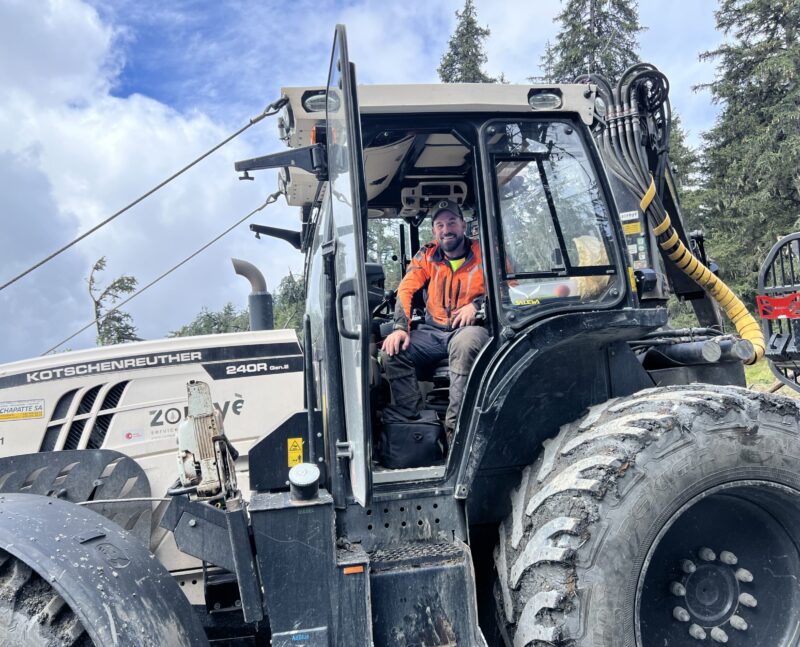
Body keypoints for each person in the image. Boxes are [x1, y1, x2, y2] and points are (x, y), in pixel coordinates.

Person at [381, 199, 489, 438]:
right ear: (434, 231)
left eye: (451, 222)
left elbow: (507, 288)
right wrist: (400, 328)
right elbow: (406, 290)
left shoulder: (486, 252)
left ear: (463, 225)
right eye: (440, 225)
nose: (446, 229)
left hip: (470, 328)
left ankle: (456, 431)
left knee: (466, 344)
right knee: (392, 352)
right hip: (433, 331)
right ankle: (420, 427)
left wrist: (477, 305)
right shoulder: (427, 255)